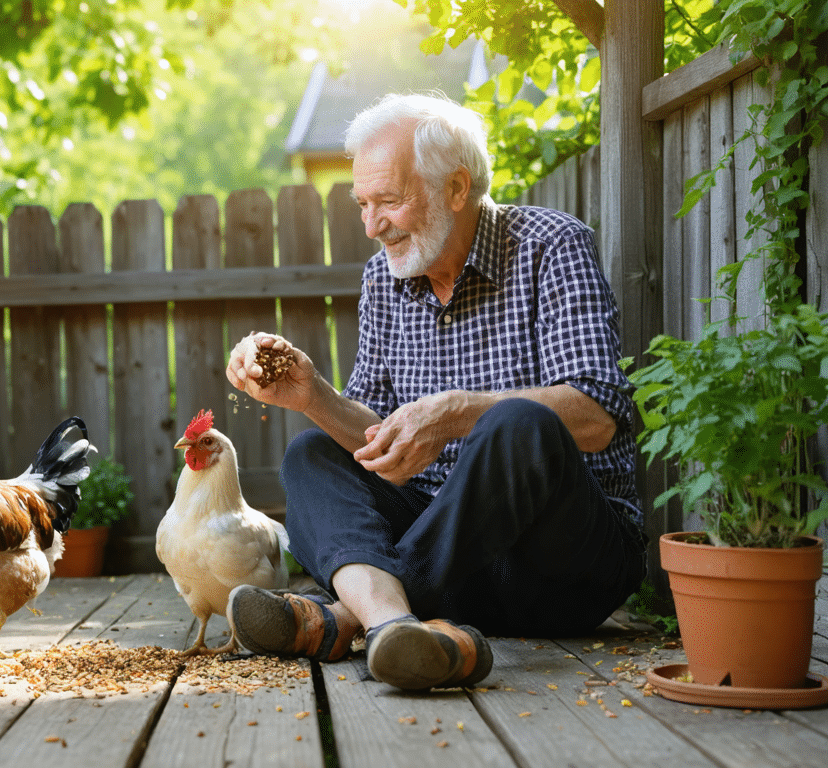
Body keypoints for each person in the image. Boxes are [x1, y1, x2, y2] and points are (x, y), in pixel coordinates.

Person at [223, 93, 646, 691]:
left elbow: (599, 415)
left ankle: (348, 617)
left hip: (558, 568)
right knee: (310, 453)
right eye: (363, 205)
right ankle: (399, 626)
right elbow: (375, 442)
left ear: (455, 187)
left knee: (517, 424)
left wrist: (456, 413)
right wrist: (311, 394)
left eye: (389, 201)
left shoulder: (551, 245)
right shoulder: (383, 277)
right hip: (461, 575)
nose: (372, 226)